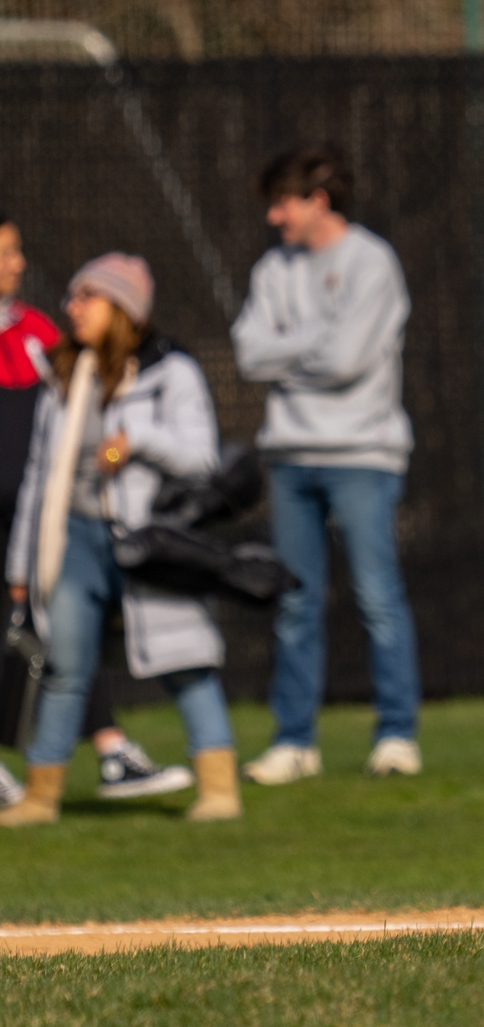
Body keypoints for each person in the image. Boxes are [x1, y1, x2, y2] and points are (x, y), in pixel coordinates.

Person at [2, 253, 241, 826]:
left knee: (183, 659)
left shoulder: (171, 371)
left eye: (88, 297)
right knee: (64, 665)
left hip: (146, 540)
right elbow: (39, 476)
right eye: (73, 296)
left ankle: (219, 789)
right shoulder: (65, 374)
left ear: (123, 308)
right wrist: (21, 567)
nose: (72, 308)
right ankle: (41, 796)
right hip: (76, 541)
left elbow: (201, 458)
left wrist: (137, 439)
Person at [231, 145, 422, 784]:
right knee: (293, 602)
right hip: (289, 458)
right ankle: (294, 741)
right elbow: (248, 354)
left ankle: (396, 734)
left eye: (283, 203)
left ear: (318, 200)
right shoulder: (271, 270)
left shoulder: (372, 263)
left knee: (377, 597)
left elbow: (347, 364)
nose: (274, 218)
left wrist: (290, 351)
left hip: (363, 457)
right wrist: (315, 343)